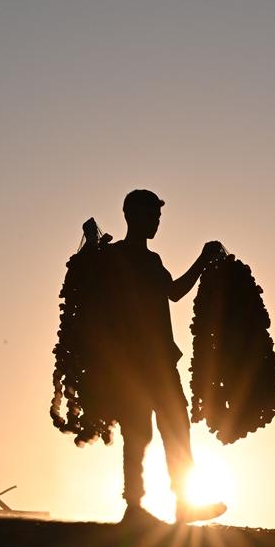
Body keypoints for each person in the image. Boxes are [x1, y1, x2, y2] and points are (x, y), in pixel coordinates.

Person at [98, 188, 226, 526]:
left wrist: (202, 259)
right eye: (151, 215)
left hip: (160, 361)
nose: (156, 221)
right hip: (131, 363)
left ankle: (184, 504)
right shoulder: (114, 258)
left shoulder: (152, 261)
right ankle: (134, 506)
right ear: (132, 216)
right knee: (138, 431)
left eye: (158, 216)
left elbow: (173, 292)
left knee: (176, 428)